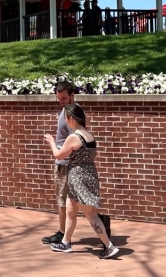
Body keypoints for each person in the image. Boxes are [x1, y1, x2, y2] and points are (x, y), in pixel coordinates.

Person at [43, 103, 119, 259]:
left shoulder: (73, 137)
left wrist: (51, 141)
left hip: (78, 179)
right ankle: (65, 243)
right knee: (71, 211)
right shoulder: (89, 135)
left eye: (66, 118)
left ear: (70, 118)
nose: (65, 121)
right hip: (89, 175)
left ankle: (109, 246)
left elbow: (59, 155)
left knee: (91, 215)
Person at [41, 80, 76, 246]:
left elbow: (74, 139)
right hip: (64, 162)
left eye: (64, 98)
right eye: (59, 98)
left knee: (63, 201)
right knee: (73, 200)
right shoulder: (68, 111)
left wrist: (52, 142)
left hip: (65, 162)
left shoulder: (71, 114)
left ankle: (62, 234)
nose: (61, 101)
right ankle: (101, 222)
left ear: (72, 96)